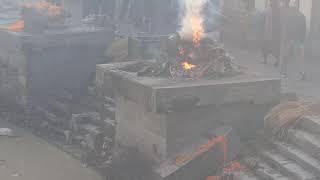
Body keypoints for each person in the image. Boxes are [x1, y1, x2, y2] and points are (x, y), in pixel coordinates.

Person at [280, 0, 306, 79]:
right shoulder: (302, 16)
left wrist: (284, 39)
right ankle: (301, 73)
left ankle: (284, 73)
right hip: (297, 39)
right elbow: (304, 29)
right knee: (298, 58)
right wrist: (302, 40)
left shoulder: (289, 16)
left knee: (285, 57)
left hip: (289, 39)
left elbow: (286, 28)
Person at [261, 0, 282, 66]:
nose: (271, 2)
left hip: (272, 32)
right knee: (267, 46)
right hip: (270, 32)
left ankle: (276, 60)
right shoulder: (269, 9)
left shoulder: (276, 10)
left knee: (274, 47)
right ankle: (266, 59)